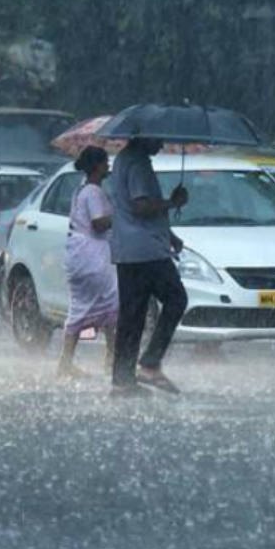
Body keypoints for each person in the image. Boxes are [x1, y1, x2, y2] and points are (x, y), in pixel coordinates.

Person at [109, 138, 189, 394]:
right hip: (146, 250)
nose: (163, 143)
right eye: (158, 137)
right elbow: (141, 205)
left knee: (132, 316)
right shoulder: (138, 163)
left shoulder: (122, 159)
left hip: (128, 249)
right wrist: (172, 203)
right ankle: (150, 363)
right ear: (144, 136)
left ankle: (122, 379)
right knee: (176, 298)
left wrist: (170, 235)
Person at [58, 146, 118, 378]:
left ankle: (66, 362)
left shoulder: (80, 190)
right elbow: (98, 224)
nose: (108, 166)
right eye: (105, 162)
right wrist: (120, 215)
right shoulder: (93, 192)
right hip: (92, 257)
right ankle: (111, 359)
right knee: (114, 305)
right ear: (96, 166)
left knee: (81, 308)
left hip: (79, 256)